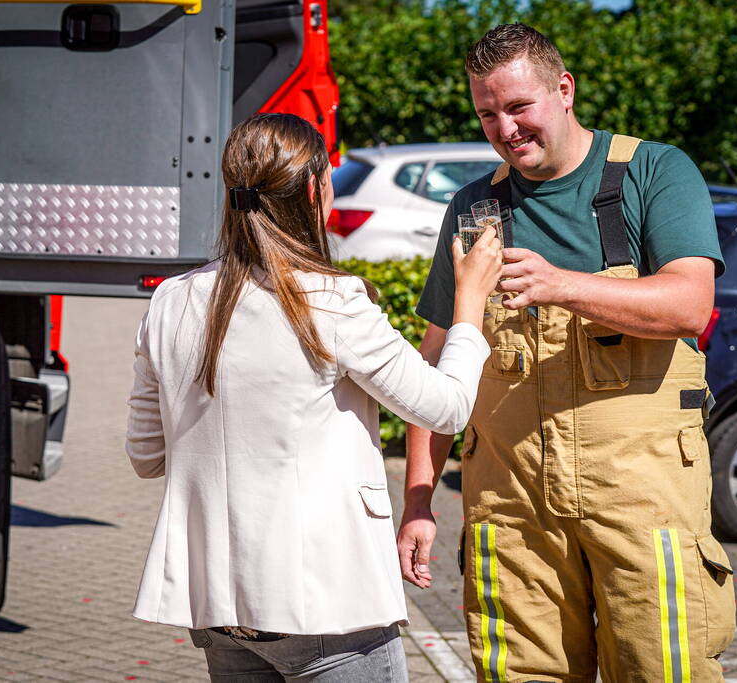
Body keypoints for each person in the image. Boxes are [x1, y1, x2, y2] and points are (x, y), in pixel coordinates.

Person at [396, 24, 737, 682]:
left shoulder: (653, 172)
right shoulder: (473, 209)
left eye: (518, 106)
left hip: (641, 507)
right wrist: (417, 501)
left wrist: (558, 285)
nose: (504, 127)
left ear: (563, 89)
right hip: (511, 512)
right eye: (486, 113)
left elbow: (688, 305)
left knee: (661, 669)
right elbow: (434, 366)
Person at [125, 113, 502, 682]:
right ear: (312, 188)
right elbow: (445, 405)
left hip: (221, 609)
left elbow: (146, 455)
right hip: (326, 603)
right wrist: (469, 300)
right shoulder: (333, 299)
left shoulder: (172, 300)